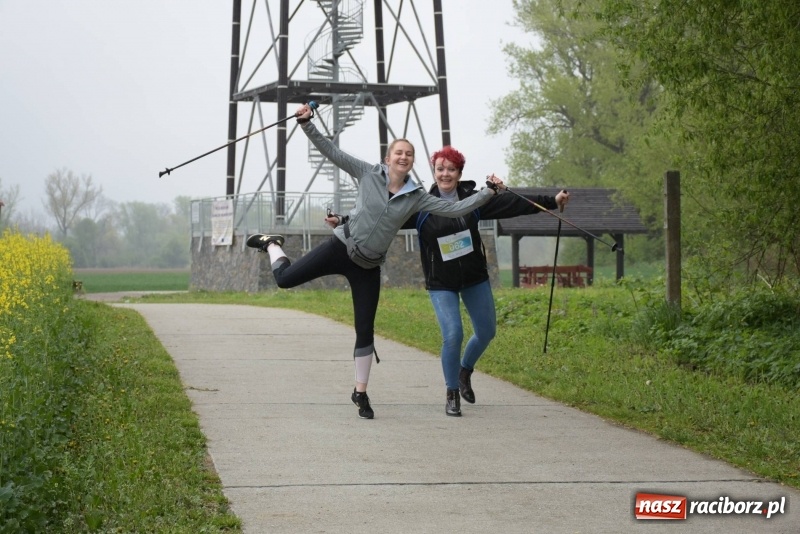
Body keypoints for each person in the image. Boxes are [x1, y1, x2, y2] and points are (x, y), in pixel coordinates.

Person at [246, 104, 506, 419]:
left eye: (408, 154)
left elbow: (454, 209)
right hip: (341, 247)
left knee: (365, 329)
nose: (403, 156)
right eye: (398, 152)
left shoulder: (417, 197)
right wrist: (307, 124)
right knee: (284, 279)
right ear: (388, 158)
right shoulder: (368, 173)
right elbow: (333, 153)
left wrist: (489, 192)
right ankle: (272, 244)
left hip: (368, 265)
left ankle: (361, 393)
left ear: (411, 163)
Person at [402, 146, 569, 416]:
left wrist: (552, 200)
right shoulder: (419, 203)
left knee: (487, 331)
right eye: (440, 169)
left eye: (451, 169)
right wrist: (344, 221)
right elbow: (382, 218)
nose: (445, 174)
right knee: (453, 333)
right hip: (441, 283)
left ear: (459, 173)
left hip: (473, 278)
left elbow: (514, 204)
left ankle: (464, 371)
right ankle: (451, 392)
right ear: (434, 171)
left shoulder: (475, 199)